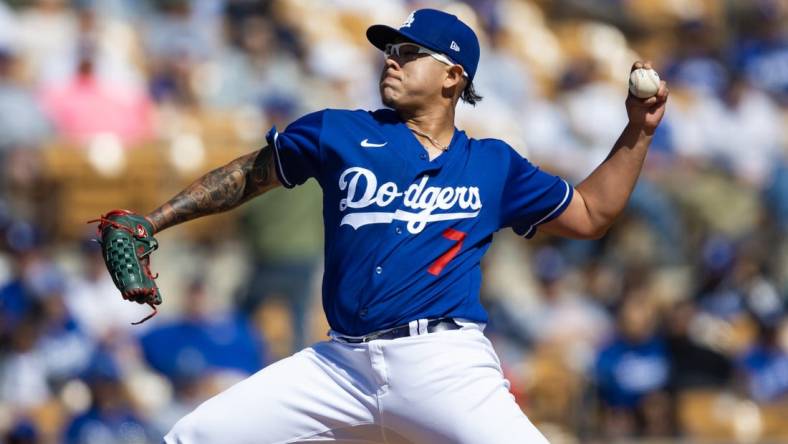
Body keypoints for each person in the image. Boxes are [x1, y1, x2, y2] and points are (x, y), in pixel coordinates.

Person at [117, 9, 668, 443]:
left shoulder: (493, 165)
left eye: (408, 52)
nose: (391, 60)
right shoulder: (339, 132)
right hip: (340, 367)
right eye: (389, 50)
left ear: (454, 75)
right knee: (193, 436)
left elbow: (592, 213)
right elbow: (247, 176)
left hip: (445, 366)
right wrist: (157, 220)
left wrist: (639, 131)